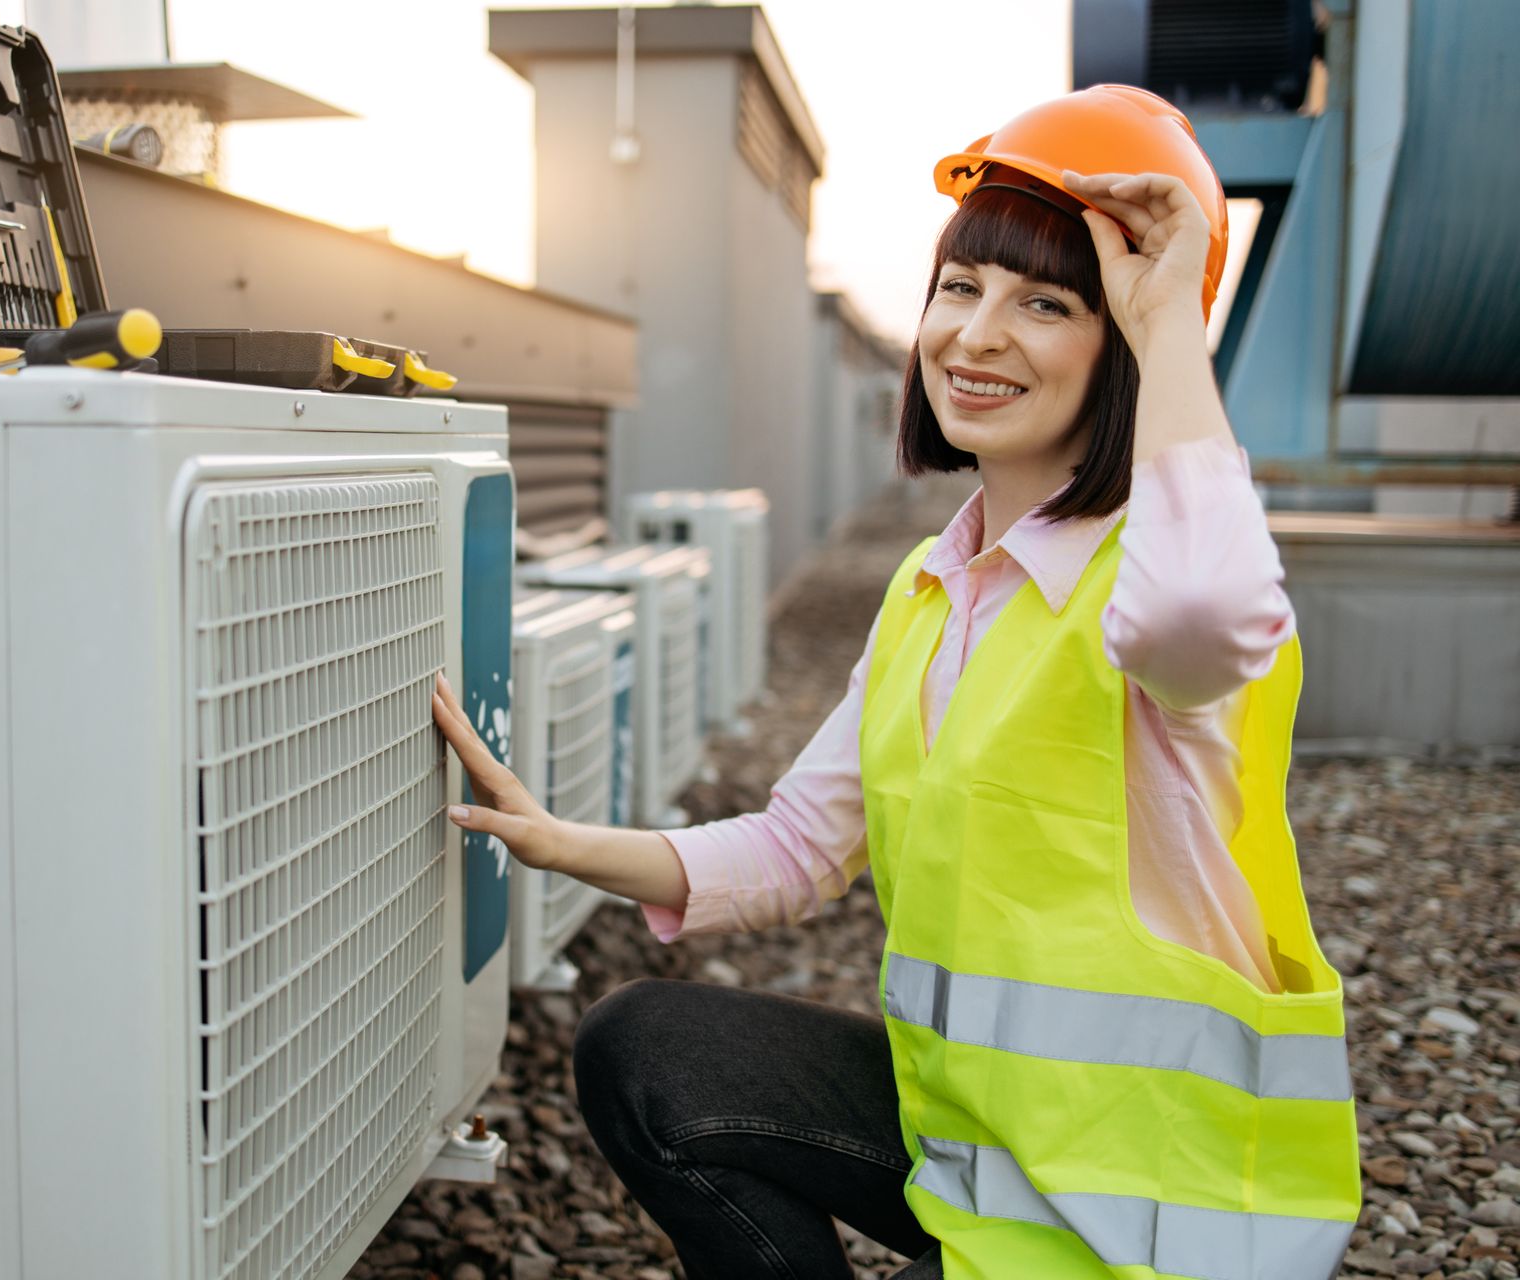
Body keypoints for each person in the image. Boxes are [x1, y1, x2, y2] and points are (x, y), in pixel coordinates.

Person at [430, 86, 1361, 1280]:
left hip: (1153, 1217)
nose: (976, 334)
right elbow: (795, 847)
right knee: (648, 1048)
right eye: (960, 287)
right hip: (985, 1142)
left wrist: (1172, 317)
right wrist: (562, 842)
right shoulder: (939, 582)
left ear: (1124, 342)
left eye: (1046, 303)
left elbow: (1196, 615)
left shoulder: (1163, 574)